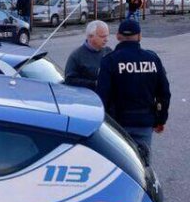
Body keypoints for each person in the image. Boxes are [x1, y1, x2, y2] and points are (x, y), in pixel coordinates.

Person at [96, 19, 171, 159]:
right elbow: (164, 93)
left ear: (118, 36)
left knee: (120, 164)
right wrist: (161, 119)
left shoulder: (110, 60)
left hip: (117, 124)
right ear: (140, 36)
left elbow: (102, 97)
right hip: (144, 122)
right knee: (142, 164)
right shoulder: (153, 59)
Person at [64, 20, 111, 89]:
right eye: (102, 36)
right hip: (88, 97)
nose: (106, 39)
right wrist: (94, 84)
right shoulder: (77, 56)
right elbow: (69, 80)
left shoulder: (108, 52)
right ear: (90, 36)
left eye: (107, 36)